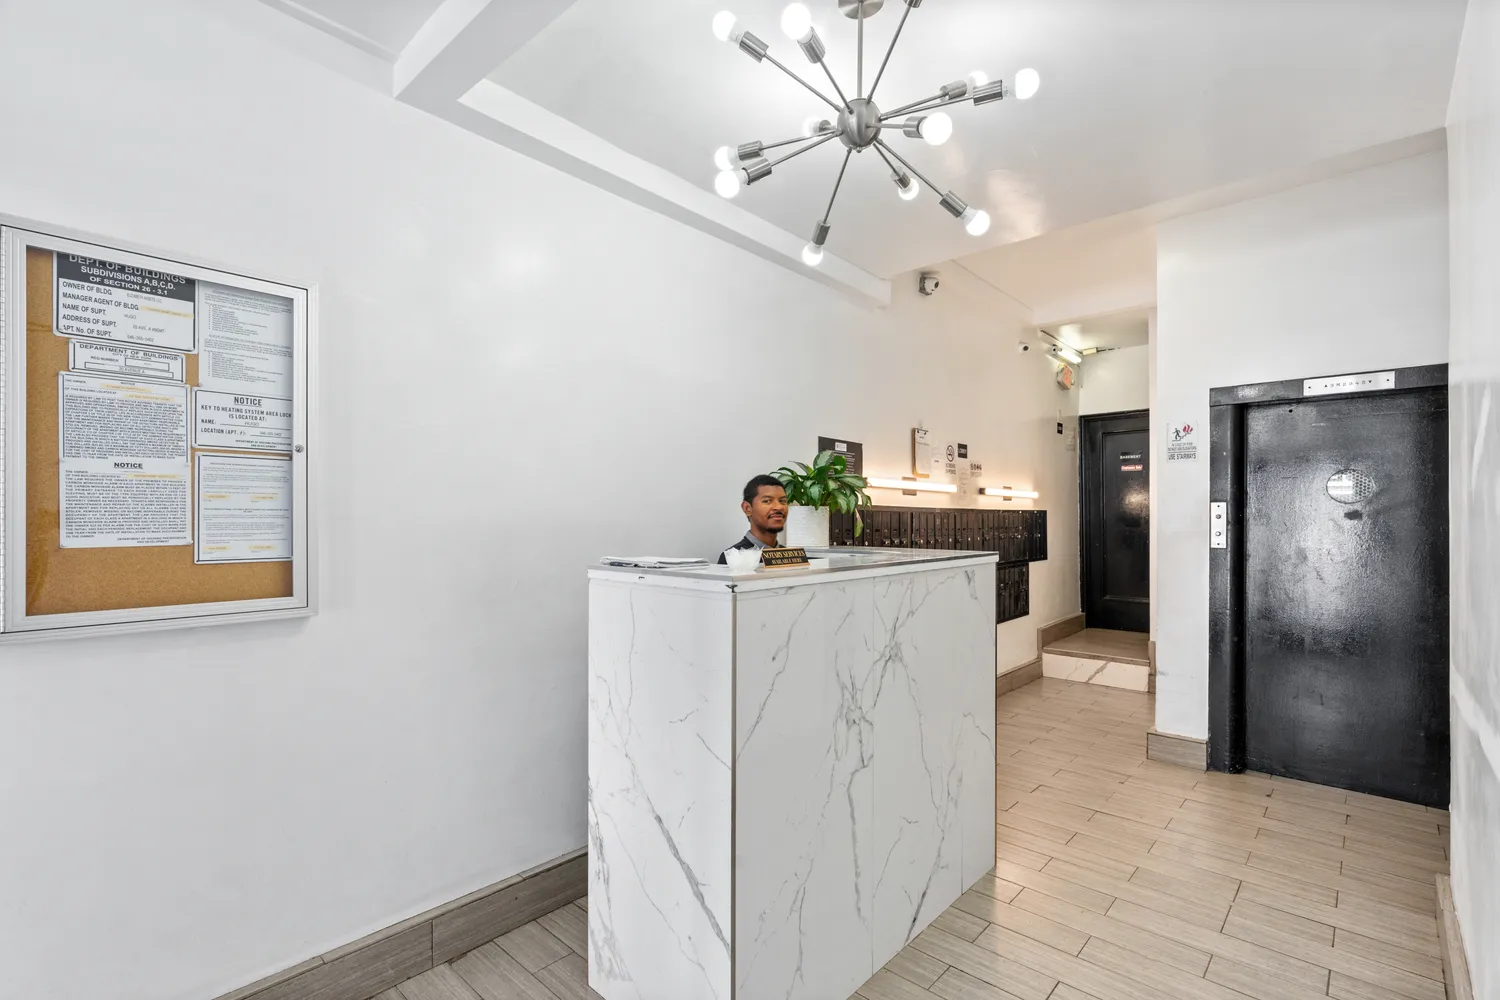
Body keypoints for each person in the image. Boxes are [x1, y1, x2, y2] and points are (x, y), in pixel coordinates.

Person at [719, 474, 787, 563]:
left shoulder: (793, 556)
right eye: (767, 501)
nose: (778, 507)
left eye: (782, 501)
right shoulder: (733, 558)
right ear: (747, 508)